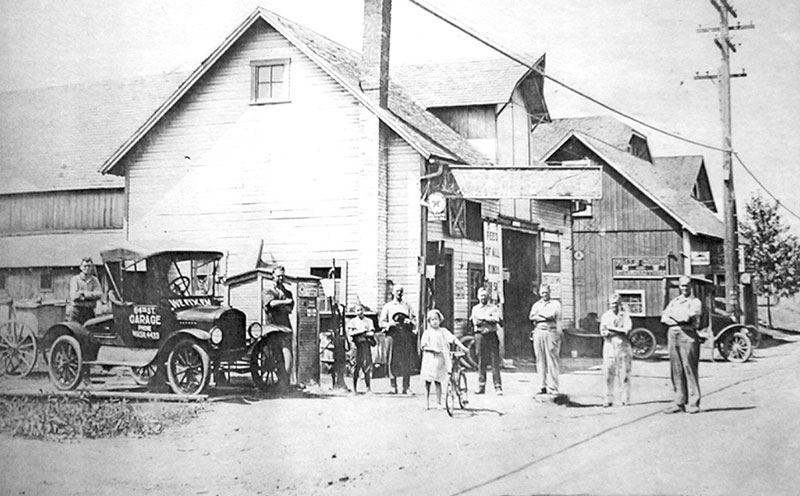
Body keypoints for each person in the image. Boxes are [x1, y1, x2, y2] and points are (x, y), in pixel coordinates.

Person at [661, 275, 703, 414]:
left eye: (687, 285)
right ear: (679, 287)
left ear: (691, 287)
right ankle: (679, 401)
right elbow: (664, 317)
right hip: (673, 334)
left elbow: (687, 318)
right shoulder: (675, 301)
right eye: (682, 285)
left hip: (688, 335)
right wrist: (676, 320)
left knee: (689, 368)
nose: (684, 288)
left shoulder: (695, 302)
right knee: (676, 369)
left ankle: (693, 402)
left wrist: (675, 318)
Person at [420, 309, 470, 410]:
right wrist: (432, 349)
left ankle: (439, 402)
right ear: (429, 321)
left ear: (440, 320)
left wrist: (463, 347)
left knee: (438, 381)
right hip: (429, 359)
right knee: (428, 382)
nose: (435, 321)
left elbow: (454, 339)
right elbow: (423, 346)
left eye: (436, 319)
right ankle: (427, 402)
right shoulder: (427, 333)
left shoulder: (443, 331)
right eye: (432, 319)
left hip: (439, 360)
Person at [379, 285, 417, 394]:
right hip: (392, 335)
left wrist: (409, 322)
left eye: (401, 291)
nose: (399, 293)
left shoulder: (407, 306)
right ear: (393, 293)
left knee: (406, 360)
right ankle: (393, 386)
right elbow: (381, 322)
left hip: (405, 335)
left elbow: (414, 320)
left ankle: (406, 386)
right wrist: (389, 324)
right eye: (397, 291)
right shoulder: (388, 306)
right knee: (392, 360)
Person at [263, 265, 294, 390]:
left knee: (287, 352)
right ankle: (280, 382)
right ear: (272, 276)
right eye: (278, 276)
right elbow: (270, 303)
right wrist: (285, 302)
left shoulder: (287, 292)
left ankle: (285, 382)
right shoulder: (267, 290)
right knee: (275, 354)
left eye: (282, 276)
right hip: (272, 326)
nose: (280, 278)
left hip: (285, 326)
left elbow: (289, 308)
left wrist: (283, 304)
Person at [600, 293, 633, 407]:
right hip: (609, 345)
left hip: (622, 345)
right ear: (609, 304)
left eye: (617, 303)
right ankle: (608, 399)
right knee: (608, 373)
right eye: (612, 303)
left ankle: (625, 398)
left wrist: (612, 330)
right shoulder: (605, 316)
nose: (614, 306)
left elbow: (626, 331)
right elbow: (603, 332)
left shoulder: (625, 316)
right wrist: (616, 330)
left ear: (620, 304)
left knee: (624, 373)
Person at [528, 283, 562, 395]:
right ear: (539, 293)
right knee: (540, 359)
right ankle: (542, 386)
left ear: (550, 292)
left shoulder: (555, 304)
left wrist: (540, 316)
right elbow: (532, 316)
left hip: (550, 331)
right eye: (542, 293)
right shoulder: (536, 305)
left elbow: (552, 316)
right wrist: (543, 316)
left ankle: (553, 387)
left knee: (552, 359)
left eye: (546, 293)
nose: (544, 295)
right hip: (538, 332)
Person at [470, 287, 503, 395]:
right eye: (481, 295)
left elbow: (496, 319)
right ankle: (481, 386)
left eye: (485, 295)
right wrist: (487, 319)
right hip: (480, 336)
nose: (483, 297)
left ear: (488, 296)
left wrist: (484, 319)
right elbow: (475, 321)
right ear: (477, 296)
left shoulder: (493, 308)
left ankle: (498, 386)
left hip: (491, 336)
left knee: (494, 361)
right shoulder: (475, 308)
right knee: (481, 361)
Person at [347, 303, 376, 393]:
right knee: (355, 366)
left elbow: (371, 333)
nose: (359, 312)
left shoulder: (368, 321)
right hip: (356, 346)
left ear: (363, 310)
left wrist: (361, 333)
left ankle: (368, 388)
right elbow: (351, 333)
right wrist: (362, 331)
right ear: (355, 312)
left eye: (361, 310)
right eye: (357, 310)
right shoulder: (352, 322)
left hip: (365, 346)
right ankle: (354, 388)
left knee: (366, 366)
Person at [67, 257, 103, 324]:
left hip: (89, 312)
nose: (87, 268)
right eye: (85, 266)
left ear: (92, 267)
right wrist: (91, 296)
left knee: (90, 331)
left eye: (89, 266)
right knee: (73, 332)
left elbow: (99, 294)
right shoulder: (75, 279)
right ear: (80, 267)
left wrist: (84, 294)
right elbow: (73, 296)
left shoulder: (94, 280)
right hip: (76, 312)